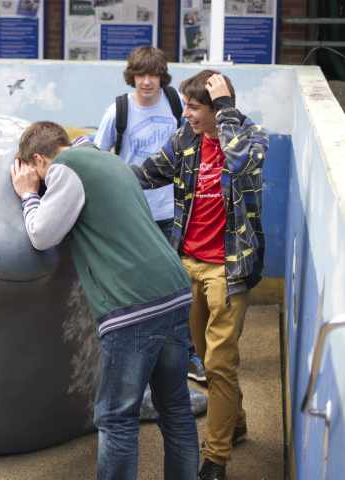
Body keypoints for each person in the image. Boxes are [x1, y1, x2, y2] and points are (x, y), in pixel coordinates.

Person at [10, 122, 198, 480]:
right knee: (175, 408)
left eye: (35, 172)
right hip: (173, 291)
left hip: (132, 305)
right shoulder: (110, 160)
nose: (40, 181)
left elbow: (41, 234)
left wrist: (28, 195)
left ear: (39, 159)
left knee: (116, 416)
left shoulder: (67, 168)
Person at [131, 70, 268, 480]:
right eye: (186, 106)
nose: (185, 114)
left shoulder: (249, 136)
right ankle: (236, 421)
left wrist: (227, 110)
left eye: (194, 107)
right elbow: (148, 172)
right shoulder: (185, 140)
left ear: (216, 109)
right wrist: (94, 170)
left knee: (220, 363)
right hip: (188, 263)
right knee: (206, 361)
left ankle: (216, 457)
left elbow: (242, 163)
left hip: (229, 269)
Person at [95, 46, 207, 384]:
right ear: (132, 76)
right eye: (141, 75)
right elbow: (100, 160)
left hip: (174, 211)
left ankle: (186, 355)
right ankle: (139, 357)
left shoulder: (175, 104)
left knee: (177, 284)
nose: (147, 82)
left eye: (153, 75)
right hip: (134, 213)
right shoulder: (118, 111)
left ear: (162, 76)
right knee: (137, 286)